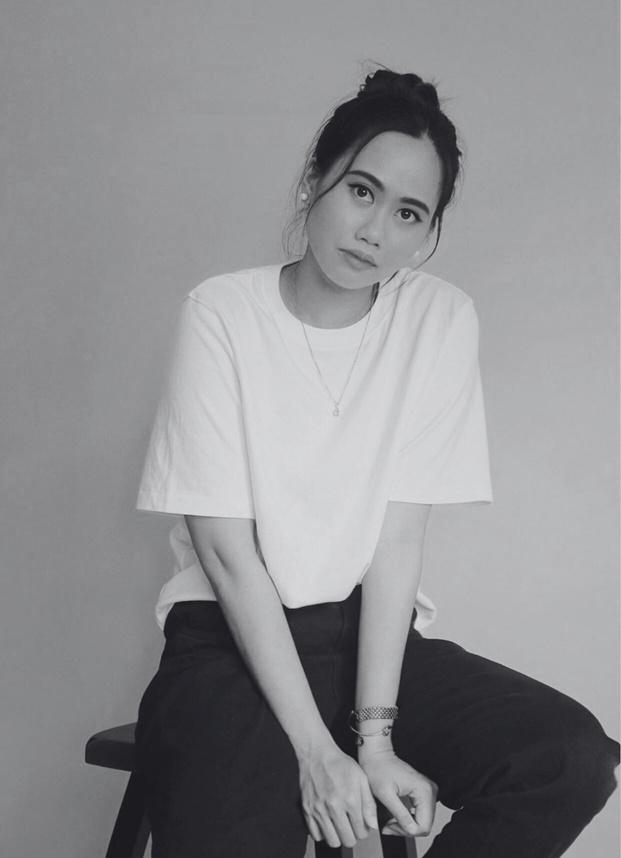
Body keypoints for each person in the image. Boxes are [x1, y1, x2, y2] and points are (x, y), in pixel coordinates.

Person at [133, 67, 619, 857]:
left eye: (407, 213)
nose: (374, 232)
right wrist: (316, 754)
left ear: (425, 233)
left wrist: (374, 739)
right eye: (361, 191)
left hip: (367, 642)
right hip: (229, 641)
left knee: (565, 758)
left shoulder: (437, 320)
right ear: (313, 181)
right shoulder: (221, 312)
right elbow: (225, 555)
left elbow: (396, 541)